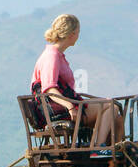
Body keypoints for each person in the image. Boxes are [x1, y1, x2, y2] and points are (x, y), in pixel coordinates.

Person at [30, 13, 122, 153]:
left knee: (118, 117)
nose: (79, 36)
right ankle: (98, 148)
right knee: (111, 107)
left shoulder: (58, 55)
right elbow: (49, 89)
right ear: (72, 34)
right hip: (59, 111)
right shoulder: (51, 56)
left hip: (67, 105)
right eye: (78, 32)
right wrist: (70, 106)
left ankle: (116, 152)